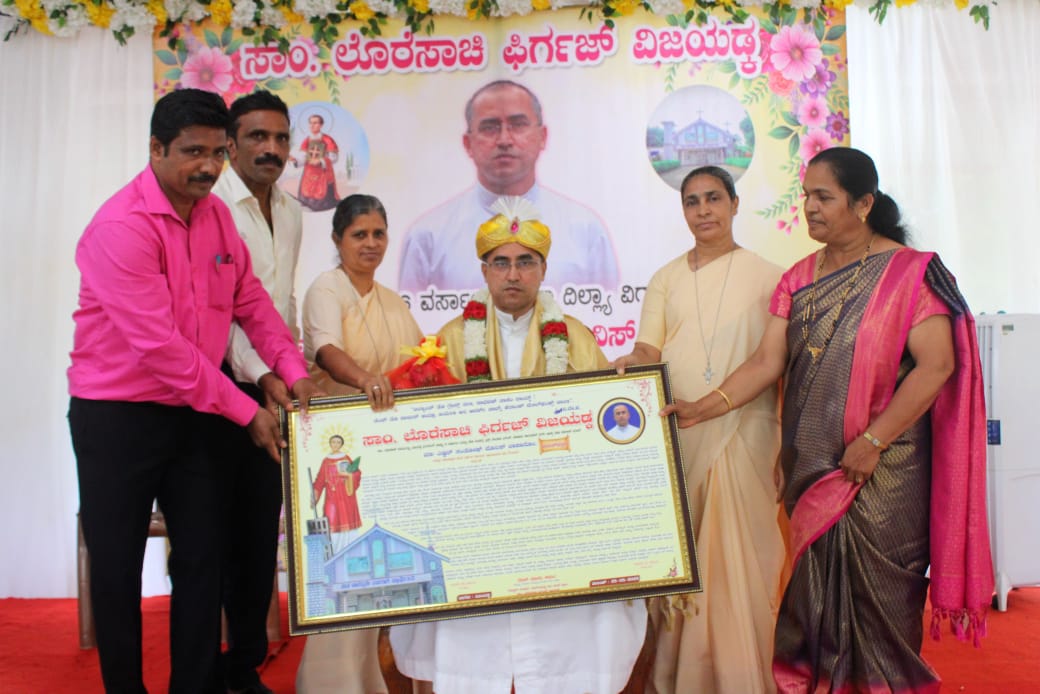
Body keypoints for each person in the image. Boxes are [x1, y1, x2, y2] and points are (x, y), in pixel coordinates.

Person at [662, 148, 993, 693]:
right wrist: (705, 406)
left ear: (863, 204)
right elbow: (767, 363)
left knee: (881, 604)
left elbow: (937, 366)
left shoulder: (912, 273)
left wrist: (873, 440)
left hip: (885, 468)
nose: (810, 208)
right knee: (814, 608)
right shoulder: (799, 277)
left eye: (824, 197)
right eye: (806, 196)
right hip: (813, 466)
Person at [67, 88, 320, 694]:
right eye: (192, 152)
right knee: (118, 565)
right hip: (117, 416)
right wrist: (246, 410)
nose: (208, 166)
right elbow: (161, 349)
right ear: (156, 149)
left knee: (203, 557)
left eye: (215, 152)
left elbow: (251, 303)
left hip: (192, 410)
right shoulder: (122, 226)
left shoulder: (215, 217)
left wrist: (293, 370)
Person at [389, 197, 647, 694]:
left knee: (564, 641)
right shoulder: (449, 339)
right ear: (484, 271)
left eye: (526, 262)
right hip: (476, 517)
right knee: (473, 645)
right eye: (501, 262)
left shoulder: (575, 338)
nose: (513, 274)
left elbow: (599, 426)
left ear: (543, 270)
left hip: (555, 514)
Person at [613, 165, 785, 694]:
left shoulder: (771, 277)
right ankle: (681, 677)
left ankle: (743, 677)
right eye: (692, 201)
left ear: (735, 204)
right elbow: (649, 347)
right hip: (681, 431)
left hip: (747, 429)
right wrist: (629, 365)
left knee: (742, 562)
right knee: (687, 560)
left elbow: (776, 364)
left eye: (713, 198)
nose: (704, 210)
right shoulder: (665, 278)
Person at [296, 193, 423, 694]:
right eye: (359, 235)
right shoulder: (326, 289)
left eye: (378, 234)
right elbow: (325, 350)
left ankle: (383, 680)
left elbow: (420, 360)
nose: (371, 244)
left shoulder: (391, 301)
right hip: (336, 451)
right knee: (341, 574)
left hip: (386, 455)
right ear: (337, 239)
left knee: (382, 571)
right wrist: (366, 379)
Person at [210, 89, 303, 694]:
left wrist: (289, 371)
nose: (271, 149)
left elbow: (278, 303)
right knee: (210, 536)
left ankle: (242, 666)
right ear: (231, 143)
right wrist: (263, 376)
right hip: (215, 385)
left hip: (273, 387)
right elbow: (220, 312)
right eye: (257, 137)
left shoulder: (291, 210)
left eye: (280, 138)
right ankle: (204, 665)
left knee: (257, 529)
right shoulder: (212, 206)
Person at [397, 79, 619, 293]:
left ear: (542, 136)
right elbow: (410, 317)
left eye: (518, 125)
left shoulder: (586, 230)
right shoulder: (428, 236)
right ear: (468, 143)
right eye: (489, 127)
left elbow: (611, 313)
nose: (504, 140)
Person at [311, 434, 363, 537]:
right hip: (331, 496)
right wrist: (314, 496)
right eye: (333, 442)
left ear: (341, 445)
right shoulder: (326, 461)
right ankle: (333, 547)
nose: (335, 444)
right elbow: (320, 480)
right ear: (330, 444)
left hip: (346, 495)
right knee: (331, 519)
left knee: (347, 521)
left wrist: (349, 475)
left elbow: (356, 473)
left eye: (338, 442)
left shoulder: (346, 458)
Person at [294, 113, 339, 211]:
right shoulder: (307, 140)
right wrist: (296, 161)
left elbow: (334, 157)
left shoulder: (327, 140)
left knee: (321, 202)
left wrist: (320, 161)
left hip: (323, 173)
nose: (312, 125)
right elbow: (304, 157)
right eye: (310, 123)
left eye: (315, 123)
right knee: (305, 199)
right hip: (308, 173)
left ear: (321, 125)